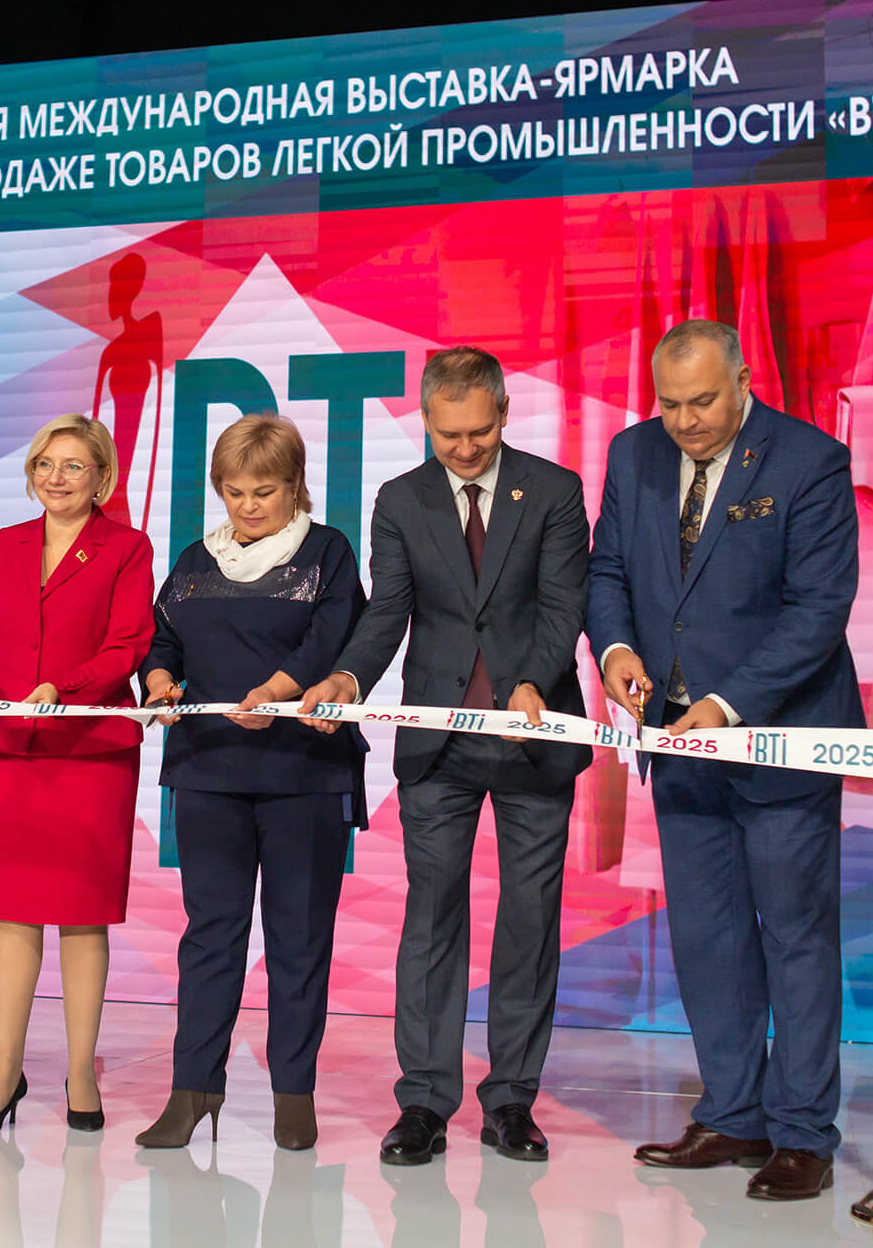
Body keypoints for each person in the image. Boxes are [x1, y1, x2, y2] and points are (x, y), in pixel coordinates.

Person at [586, 319, 863, 1200]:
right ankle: (734, 1112)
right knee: (707, 937)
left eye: (703, 401)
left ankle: (803, 1133)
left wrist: (728, 702)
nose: (686, 421)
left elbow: (817, 611)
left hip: (779, 741)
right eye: (669, 404)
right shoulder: (632, 454)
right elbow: (607, 572)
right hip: (678, 744)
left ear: (744, 379)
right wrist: (616, 650)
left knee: (796, 937)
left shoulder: (810, 461)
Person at [296, 346, 591, 1167]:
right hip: (438, 743)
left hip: (536, 736)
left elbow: (563, 605)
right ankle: (424, 1099)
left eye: (478, 432)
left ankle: (512, 1100)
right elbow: (388, 609)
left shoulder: (555, 491)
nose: (463, 448)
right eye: (447, 433)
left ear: (504, 413)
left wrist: (532, 683)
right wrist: (349, 675)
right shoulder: (401, 500)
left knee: (530, 918)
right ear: (426, 419)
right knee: (431, 916)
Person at [136, 413, 366, 1151]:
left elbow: (331, 640)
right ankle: (193, 1089)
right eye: (234, 492)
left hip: (304, 771)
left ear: (294, 484)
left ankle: (293, 1094)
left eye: (263, 491)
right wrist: (160, 679)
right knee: (210, 936)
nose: (247, 506)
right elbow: (161, 638)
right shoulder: (194, 559)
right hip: (208, 769)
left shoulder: (328, 551)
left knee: (298, 938)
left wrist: (277, 689)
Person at [0, 413, 153, 1132]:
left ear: (102, 477)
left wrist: (63, 688)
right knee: (11, 911)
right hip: (11, 746)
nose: (56, 477)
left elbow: (128, 644)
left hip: (89, 749)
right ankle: (3, 1072)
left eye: (73, 465)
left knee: (81, 912)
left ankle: (80, 1072)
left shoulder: (126, 546)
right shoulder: (7, 543)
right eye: (45, 463)